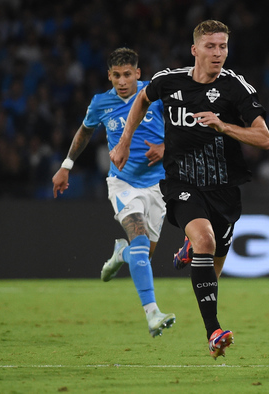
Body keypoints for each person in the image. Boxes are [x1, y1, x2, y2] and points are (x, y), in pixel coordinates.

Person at [110, 20, 269, 359]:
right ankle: (213, 331)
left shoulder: (237, 89)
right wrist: (125, 142)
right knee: (206, 241)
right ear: (195, 49)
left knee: (214, 262)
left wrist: (223, 125)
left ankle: (189, 250)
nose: (218, 53)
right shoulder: (169, 81)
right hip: (180, 183)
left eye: (223, 47)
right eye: (211, 47)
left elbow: (265, 138)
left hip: (224, 188)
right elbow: (141, 100)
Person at [52, 48, 176, 338]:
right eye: (117, 76)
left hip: (159, 186)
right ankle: (153, 313)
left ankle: (122, 254)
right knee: (141, 237)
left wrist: (166, 147)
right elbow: (84, 132)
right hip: (123, 184)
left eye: (128, 75)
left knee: (141, 253)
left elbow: (183, 126)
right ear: (109, 75)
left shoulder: (154, 94)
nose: (122, 81)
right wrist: (66, 166)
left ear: (138, 73)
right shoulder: (101, 103)